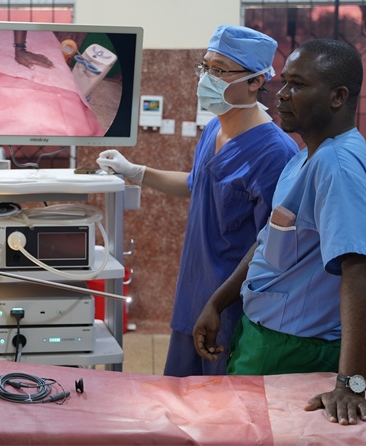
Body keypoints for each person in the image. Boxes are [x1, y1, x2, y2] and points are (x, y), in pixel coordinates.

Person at [193, 39, 366, 426]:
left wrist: (351, 385)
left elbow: (361, 270)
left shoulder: (337, 165)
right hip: (264, 338)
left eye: (298, 85)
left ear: (337, 97)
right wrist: (218, 301)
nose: (281, 94)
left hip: (294, 350)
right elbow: (270, 239)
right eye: (284, 82)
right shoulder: (307, 156)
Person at [97, 25, 299, 376]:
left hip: (230, 310)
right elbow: (197, 183)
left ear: (255, 81)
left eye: (219, 70)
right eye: (205, 67)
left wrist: (219, 304)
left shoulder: (276, 153)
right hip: (193, 295)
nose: (206, 78)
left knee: (220, 403)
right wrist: (136, 171)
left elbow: (272, 248)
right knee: (179, 397)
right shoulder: (215, 128)